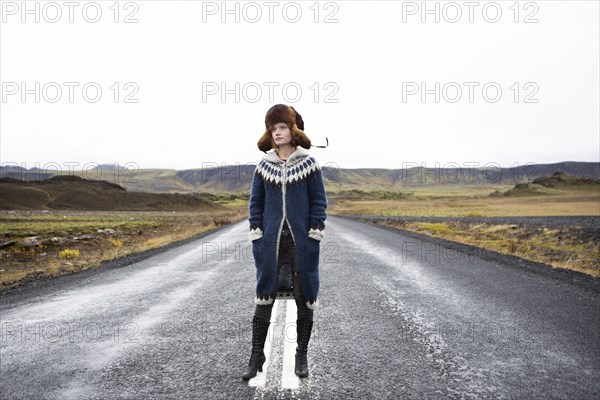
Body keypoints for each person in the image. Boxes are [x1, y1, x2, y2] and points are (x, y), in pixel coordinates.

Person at [242, 104, 328, 380]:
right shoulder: (263, 166)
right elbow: (255, 204)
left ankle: (301, 355)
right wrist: (257, 231)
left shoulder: (309, 164)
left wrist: (315, 230)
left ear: (293, 130)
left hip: (302, 242)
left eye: (282, 127)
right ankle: (257, 354)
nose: (277, 133)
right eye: (272, 129)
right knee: (263, 295)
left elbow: (319, 202)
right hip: (270, 242)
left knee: (305, 297)